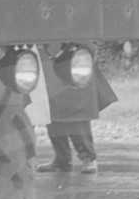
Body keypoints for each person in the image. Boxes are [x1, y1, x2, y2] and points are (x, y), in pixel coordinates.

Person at [37, 46, 118, 174]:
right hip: (48, 57)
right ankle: (61, 159)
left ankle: (88, 158)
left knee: (78, 114)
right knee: (52, 112)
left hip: (74, 54)